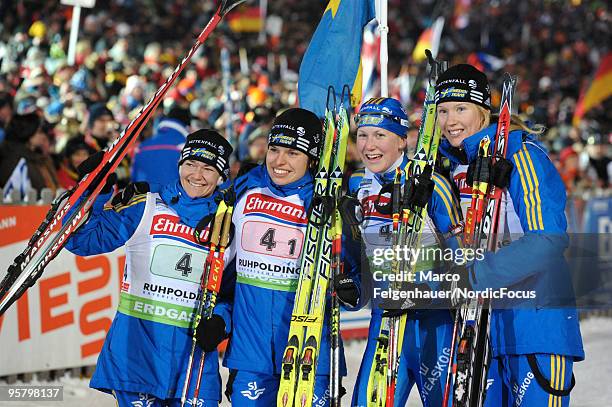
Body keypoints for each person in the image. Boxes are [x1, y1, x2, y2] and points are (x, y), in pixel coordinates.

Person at [434, 64, 584, 406]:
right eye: (443, 110)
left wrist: (475, 275)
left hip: (535, 326)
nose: (450, 120)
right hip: (479, 332)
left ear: (484, 110)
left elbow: (548, 239)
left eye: (461, 108)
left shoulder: (522, 155)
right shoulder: (454, 168)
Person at [65, 129, 234, 407]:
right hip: (137, 356)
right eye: (190, 164)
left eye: (208, 168)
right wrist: (93, 191)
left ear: (221, 176)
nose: (196, 175)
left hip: (193, 363)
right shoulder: (146, 206)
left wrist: (221, 322)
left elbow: (231, 291)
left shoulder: (227, 223)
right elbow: (81, 241)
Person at [221, 107, 360, 406]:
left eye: (292, 153)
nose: (279, 161)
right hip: (251, 355)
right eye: (274, 149)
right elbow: (222, 269)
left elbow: (354, 279)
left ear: (311, 159)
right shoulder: (246, 188)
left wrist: (351, 287)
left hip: (309, 353)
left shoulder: (331, 204)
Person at [347, 97, 463, 407]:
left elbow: (463, 263)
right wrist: (351, 286)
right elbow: (358, 264)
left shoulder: (431, 184)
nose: (369, 145)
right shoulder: (358, 185)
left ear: (401, 141)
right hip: (384, 320)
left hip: (432, 326)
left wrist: (422, 293)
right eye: (362, 135)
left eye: (380, 135)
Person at [0, 112, 59, 200]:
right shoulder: (13, 161)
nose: (43, 136)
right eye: (39, 132)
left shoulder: (40, 157)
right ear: (28, 134)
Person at [131, 106, 192, 185]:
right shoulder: (186, 146)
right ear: (187, 126)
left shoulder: (142, 146)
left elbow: (135, 180)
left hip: (144, 196)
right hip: (174, 196)